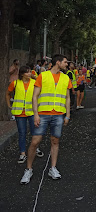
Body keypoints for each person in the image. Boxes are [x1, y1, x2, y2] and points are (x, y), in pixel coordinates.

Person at [20, 54, 72, 184]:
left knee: (55, 141)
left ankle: (53, 168)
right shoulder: (43, 76)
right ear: (58, 63)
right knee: (35, 141)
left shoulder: (66, 78)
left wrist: (68, 115)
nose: (67, 64)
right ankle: (28, 169)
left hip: (58, 114)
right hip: (43, 114)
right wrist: (36, 114)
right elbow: (35, 96)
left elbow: (67, 98)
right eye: (65, 62)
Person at [6, 65, 44, 163]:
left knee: (35, 132)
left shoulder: (34, 83)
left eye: (30, 72)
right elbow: (8, 93)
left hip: (32, 112)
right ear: (22, 74)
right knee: (22, 133)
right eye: (27, 72)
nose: (29, 74)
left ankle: (35, 148)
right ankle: (22, 153)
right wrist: (9, 105)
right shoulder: (15, 83)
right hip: (20, 113)